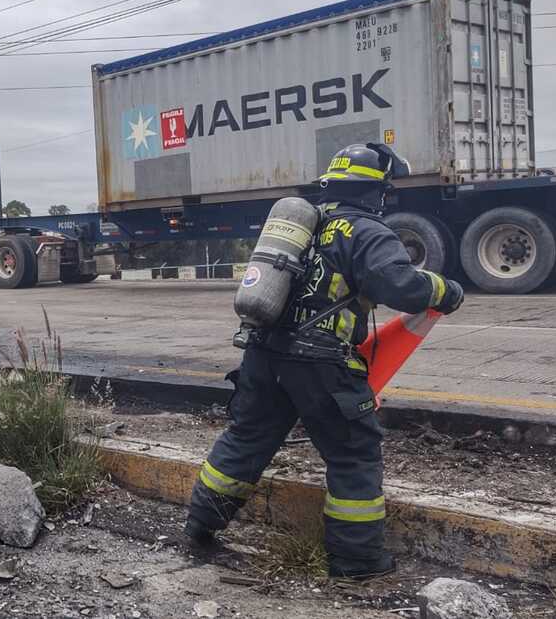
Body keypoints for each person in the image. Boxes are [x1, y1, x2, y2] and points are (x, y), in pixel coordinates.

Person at [185, 143, 465, 580]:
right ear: (376, 192)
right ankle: (357, 562)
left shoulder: (302, 226)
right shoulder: (366, 231)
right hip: (322, 364)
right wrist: (446, 290)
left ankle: (200, 523)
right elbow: (403, 287)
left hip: (262, 354)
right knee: (353, 454)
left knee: (246, 439)